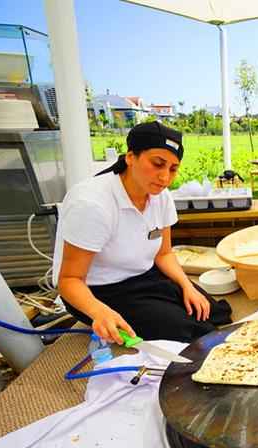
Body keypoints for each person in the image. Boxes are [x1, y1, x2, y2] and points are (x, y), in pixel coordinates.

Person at [56, 122, 232, 344]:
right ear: (130, 157)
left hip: (145, 275)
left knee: (213, 313)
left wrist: (187, 286)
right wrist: (99, 312)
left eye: (173, 169)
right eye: (157, 164)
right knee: (191, 332)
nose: (164, 177)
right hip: (100, 289)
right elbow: (69, 280)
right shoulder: (92, 204)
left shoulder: (161, 196)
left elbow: (164, 254)